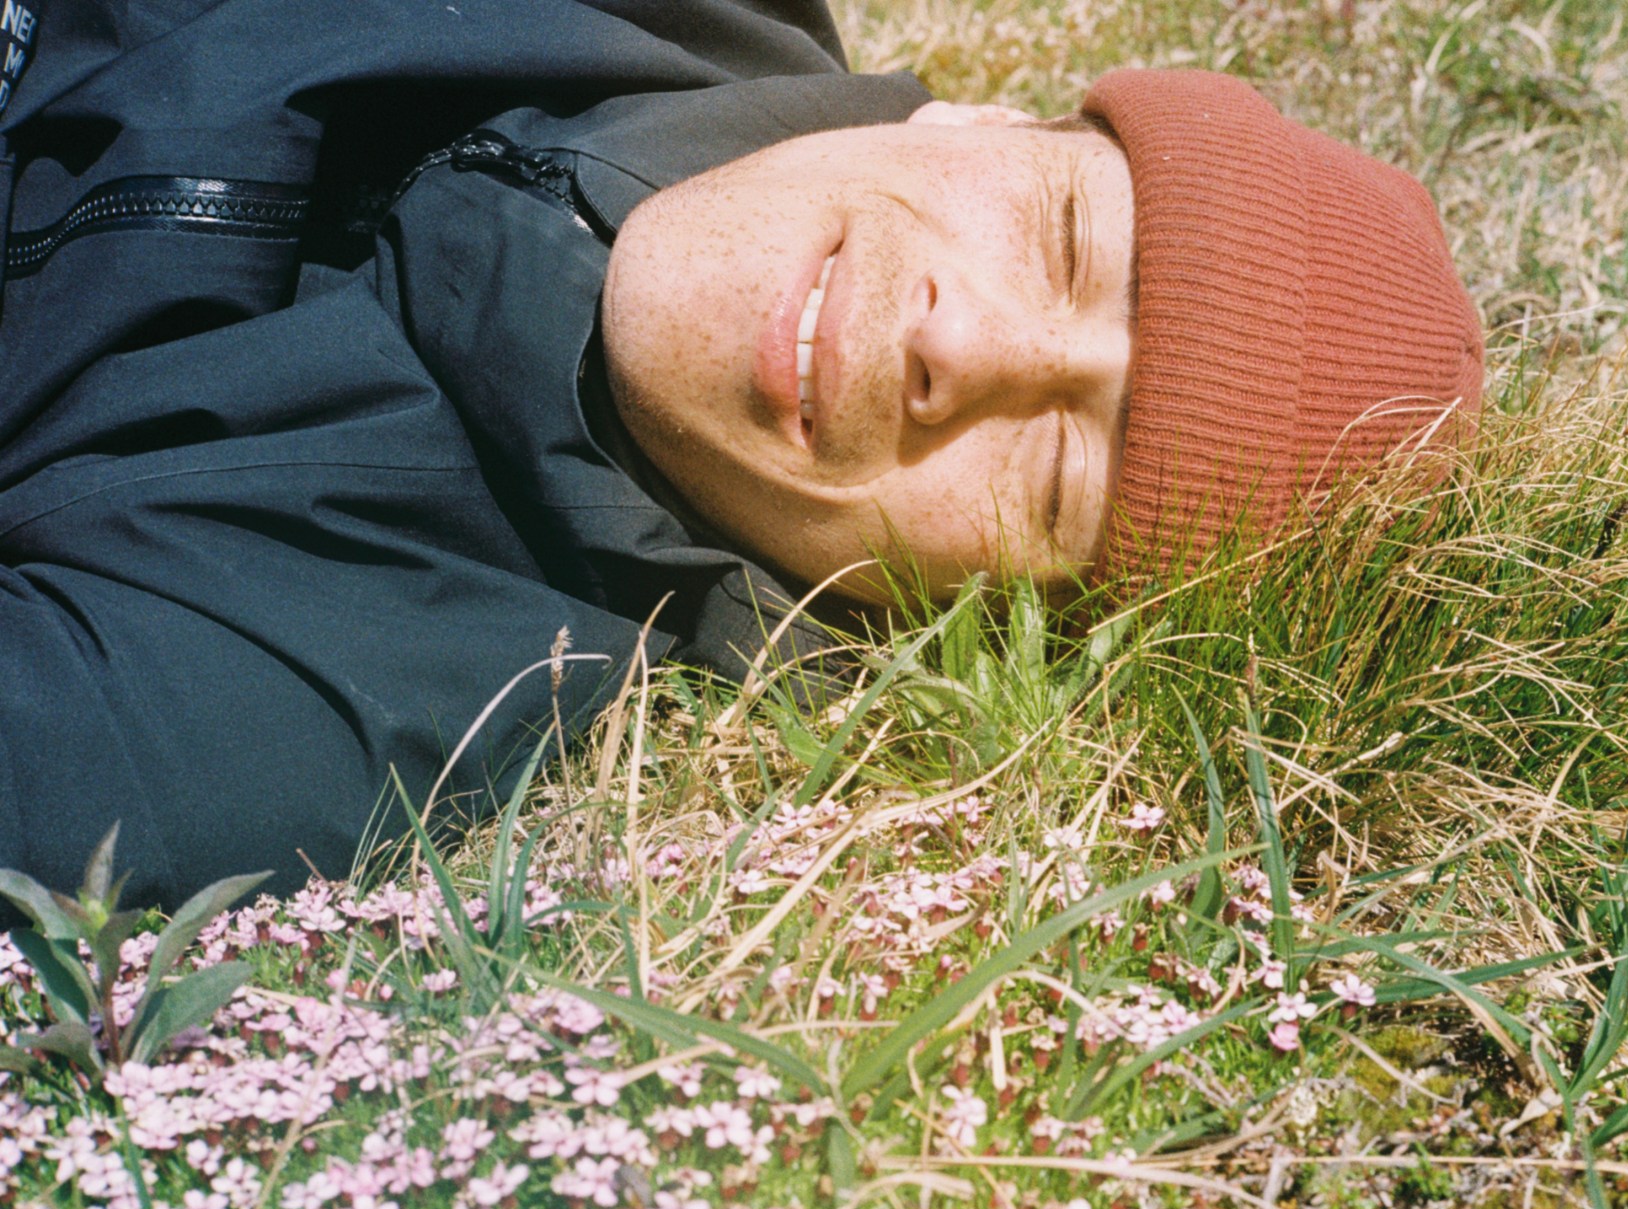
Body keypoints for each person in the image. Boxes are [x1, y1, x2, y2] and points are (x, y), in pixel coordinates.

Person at [0, 0, 1482, 913]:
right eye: (1062, 237)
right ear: (983, 117)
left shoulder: (283, 723)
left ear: (961, 627)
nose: (964, 350)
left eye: (1049, 479)